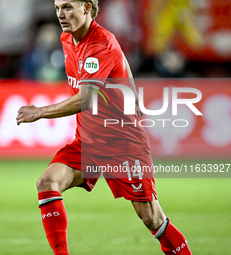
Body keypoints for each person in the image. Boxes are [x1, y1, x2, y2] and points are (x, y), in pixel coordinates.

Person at [16, 1, 192, 254]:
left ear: (87, 7)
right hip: (88, 141)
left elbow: (87, 97)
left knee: (151, 217)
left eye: (67, 7)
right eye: (57, 8)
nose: (60, 15)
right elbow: (122, 64)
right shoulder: (67, 39)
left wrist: (41, 112)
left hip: (121, 143)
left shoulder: (100, 43)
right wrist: (131, 92)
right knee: (47, 182)